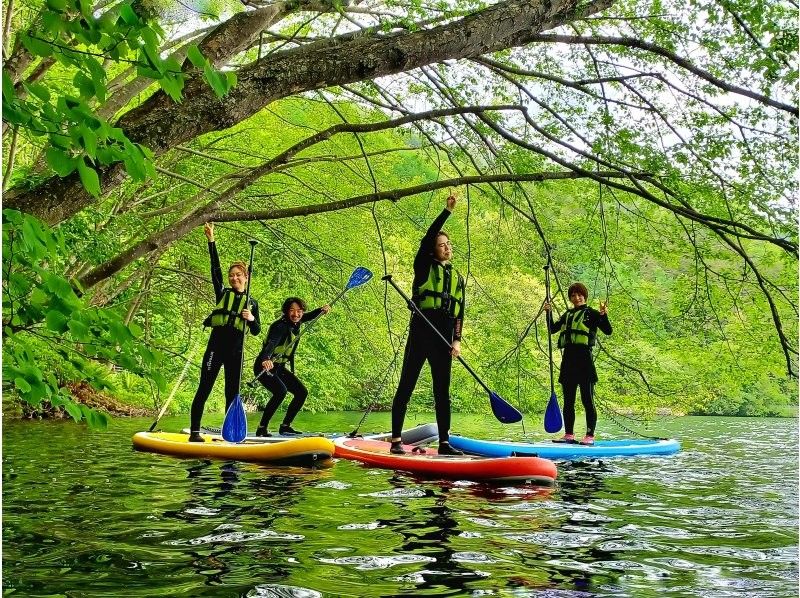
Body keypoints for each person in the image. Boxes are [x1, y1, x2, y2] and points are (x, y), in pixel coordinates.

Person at [389, 193, 466, 456]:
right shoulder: (423, 266)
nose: (447, 247)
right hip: (422, 330)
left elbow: (460, 313)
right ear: (433, 249)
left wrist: (457, 340)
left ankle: (445, 443)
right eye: (442, 244)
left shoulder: (457, 277)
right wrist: (447, 212)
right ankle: (396, 440)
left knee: (442, 392)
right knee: (407, 385)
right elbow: (426, 237)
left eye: (449, 244)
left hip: (444, 336)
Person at [188, 223, 261, 442]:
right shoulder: (222, 293)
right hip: (215, 349)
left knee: (232, 393)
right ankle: (194, 433)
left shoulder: (252, 303)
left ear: (246, 277)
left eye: (238, 275)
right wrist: (212, 241)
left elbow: (256, 331)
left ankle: (229, 435)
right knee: (204, 388)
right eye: (232, 275)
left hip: (235, 354)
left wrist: (252, 318)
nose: (234, 278)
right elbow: (215, 270)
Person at [544, 282, 611, 445]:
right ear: (570, 298)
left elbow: (608, 331)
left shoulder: (592, 313)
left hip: (584, 360)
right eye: (573, 295)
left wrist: (603, 315)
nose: (577, 297)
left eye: (579, 294)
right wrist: (548, 312)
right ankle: (569, 434)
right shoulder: (567, 315)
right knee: (568, 401)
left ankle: (589, 435)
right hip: (568, 361)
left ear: (584, 296)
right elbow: (552, 329)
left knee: (587, 399)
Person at [252, 297, 331, 436]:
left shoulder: (297, 321)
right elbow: (271, 344)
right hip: (264, 367)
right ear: (286, 312)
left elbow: (307, 316)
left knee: (301, 392)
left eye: (299, 311)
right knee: (280, 391)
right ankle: (262, 428)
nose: (296, 314)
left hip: (278, 368)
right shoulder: (280, 326)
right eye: (292, 311)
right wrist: (265, 359)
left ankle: (285, 426)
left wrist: (321, 310)